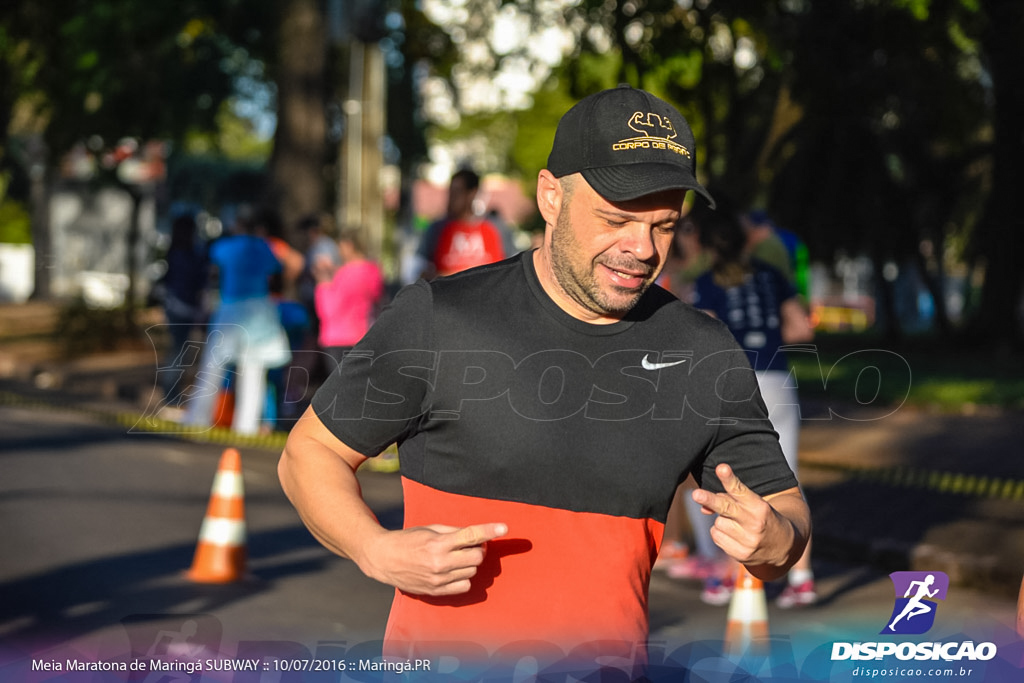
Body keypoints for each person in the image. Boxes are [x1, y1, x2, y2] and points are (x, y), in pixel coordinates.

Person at [278, 85, 810, 676]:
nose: (641, 248)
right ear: (551, 195)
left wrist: (776, 541)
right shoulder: (440, 318)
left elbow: (785, 512)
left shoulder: (700, 350)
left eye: (664, 226)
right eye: (615, 219)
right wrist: (374, 549)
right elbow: (310, 454)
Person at [691, 192, 817, 607]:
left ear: (709, 245)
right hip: (778, 378)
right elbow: (801, 329)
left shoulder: (705, 285)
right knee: (789, 480)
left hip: (733, 381)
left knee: (729, 477)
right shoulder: (771, 275)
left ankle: (733, 576)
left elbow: (703, 340)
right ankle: (801, 578)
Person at [184, 210, 292, 435]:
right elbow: (278, 269)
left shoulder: (226, 247)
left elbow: (213, 268)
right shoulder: (263, 247)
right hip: (261, 311)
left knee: (213, 366)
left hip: (232, 310)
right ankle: (247, 426)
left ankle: (197, 419)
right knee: (253, 370)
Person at [414, 169, 514, 279]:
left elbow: (511, 267)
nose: (452, 198)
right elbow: (417, 269)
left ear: (472, 193)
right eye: (450, 192)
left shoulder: (495, 228)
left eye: (457, 192)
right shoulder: (436, 229)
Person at [312, 228, 385, 367]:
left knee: (339, 387)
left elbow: (328, 310)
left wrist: (323, 282)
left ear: (349, 245)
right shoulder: (373, 270)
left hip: (338, 340)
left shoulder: (344, 274)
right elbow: (377, 298)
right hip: (364, 337)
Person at [157, 213, 208, 399]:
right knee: (179, 351)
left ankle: (171, 391)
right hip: (184, 306)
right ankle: (171, 393)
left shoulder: (174, 251)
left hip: (174, 306)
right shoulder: (190, 255)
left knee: (177, 349)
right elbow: (197, 281)